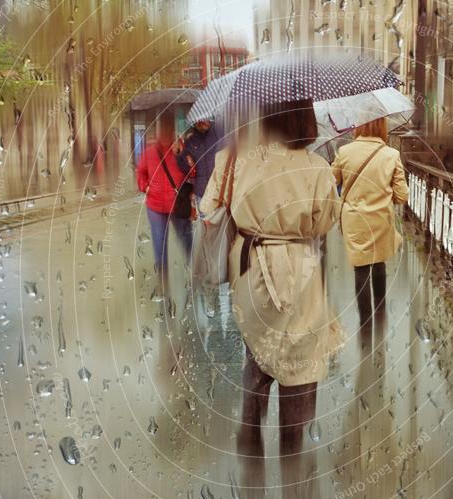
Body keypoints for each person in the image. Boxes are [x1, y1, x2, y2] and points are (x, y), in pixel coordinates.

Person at [199, 99, 341, 456]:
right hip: (301, 272)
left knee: (256, 349)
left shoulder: (233, 161)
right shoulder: (318, 167)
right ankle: (292, 451)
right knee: (300, 355)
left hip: (249, 267)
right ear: (306, 120)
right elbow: (325, 222)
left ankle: (250, 434)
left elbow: (208, 209)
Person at [331, 117, 409, 327]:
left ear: (359, 127)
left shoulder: (345, 152)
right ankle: (381, 310)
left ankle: (365, 322)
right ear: (382, 127)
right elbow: (402, 196)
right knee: (379, 263)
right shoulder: (392, 155)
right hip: (381, 218)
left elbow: (332, 182)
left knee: (361, 267)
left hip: (354, 219)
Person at [135, 113, 193, 278]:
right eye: (163, 127)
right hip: (155, 207)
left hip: (178, 205)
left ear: (173, 129)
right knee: (159, 245)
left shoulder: (181, 149)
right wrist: (146, 187)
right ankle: (163, 281)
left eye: (169, 127)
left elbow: (193, 172)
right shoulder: (149, 152)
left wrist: (182, 154)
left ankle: (195, 273)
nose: (166, 131)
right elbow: (141, 173)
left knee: (187, 241)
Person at [180, 119, 224, 203]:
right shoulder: (190, 142)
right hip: (201, 194)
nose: (202, 121)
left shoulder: (219, 136)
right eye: (199, 120)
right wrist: (181, 156)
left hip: (219, 192)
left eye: (205, 119)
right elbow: (185, 170)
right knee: (203, 216)